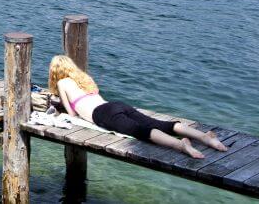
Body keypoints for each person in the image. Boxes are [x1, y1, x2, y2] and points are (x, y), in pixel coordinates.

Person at [48, 55, 226, 159]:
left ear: (56, 72)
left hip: (102, 113)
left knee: (141, 131)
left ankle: (180, 146)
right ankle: (205, 137)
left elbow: (71, 113)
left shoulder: (63, 82)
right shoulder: (84, 78)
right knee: (157, 123)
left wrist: (62, 105)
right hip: (115, 105)